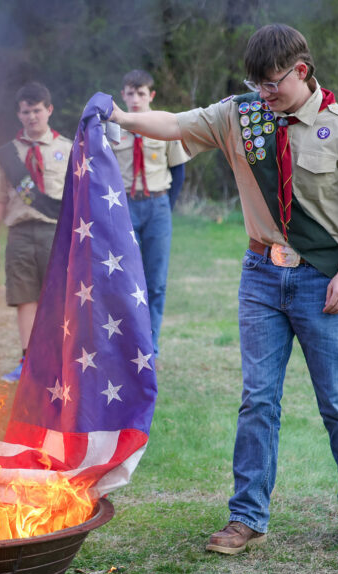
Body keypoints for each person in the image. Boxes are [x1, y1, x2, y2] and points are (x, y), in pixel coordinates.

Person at [110, 24, 338, 553]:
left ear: (300, 72)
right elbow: (172, 123)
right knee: (257, 400)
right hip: (260, 276)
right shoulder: (242, 115)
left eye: (272, 83)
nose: (264, 93)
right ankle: (247, 517)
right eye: (256, 83)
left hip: (321, 279)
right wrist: (120, 117)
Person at [0, 81, 72, 382]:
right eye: (26, 112)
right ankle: (28, 361)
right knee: (24, 297)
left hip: (56, 233)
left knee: (57, 299)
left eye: (37, 110)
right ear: (18, 115)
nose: (32, 117)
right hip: (19, 233)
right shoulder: (8, 154)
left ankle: (58, 361)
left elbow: (80, 196)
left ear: (49, 110)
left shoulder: (69, 149)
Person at [110, 70, 190, 358]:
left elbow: (178, 170)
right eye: (130, 93)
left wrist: (166, 206)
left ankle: (149, 349)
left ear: (151, 95)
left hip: (157, 206)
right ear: (122, 95)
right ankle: (124, 344)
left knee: (155, 282)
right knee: (125, 279)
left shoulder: (163, 124)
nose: (135, 99)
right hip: (125, 207)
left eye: (141, 93)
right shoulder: (114, 127)